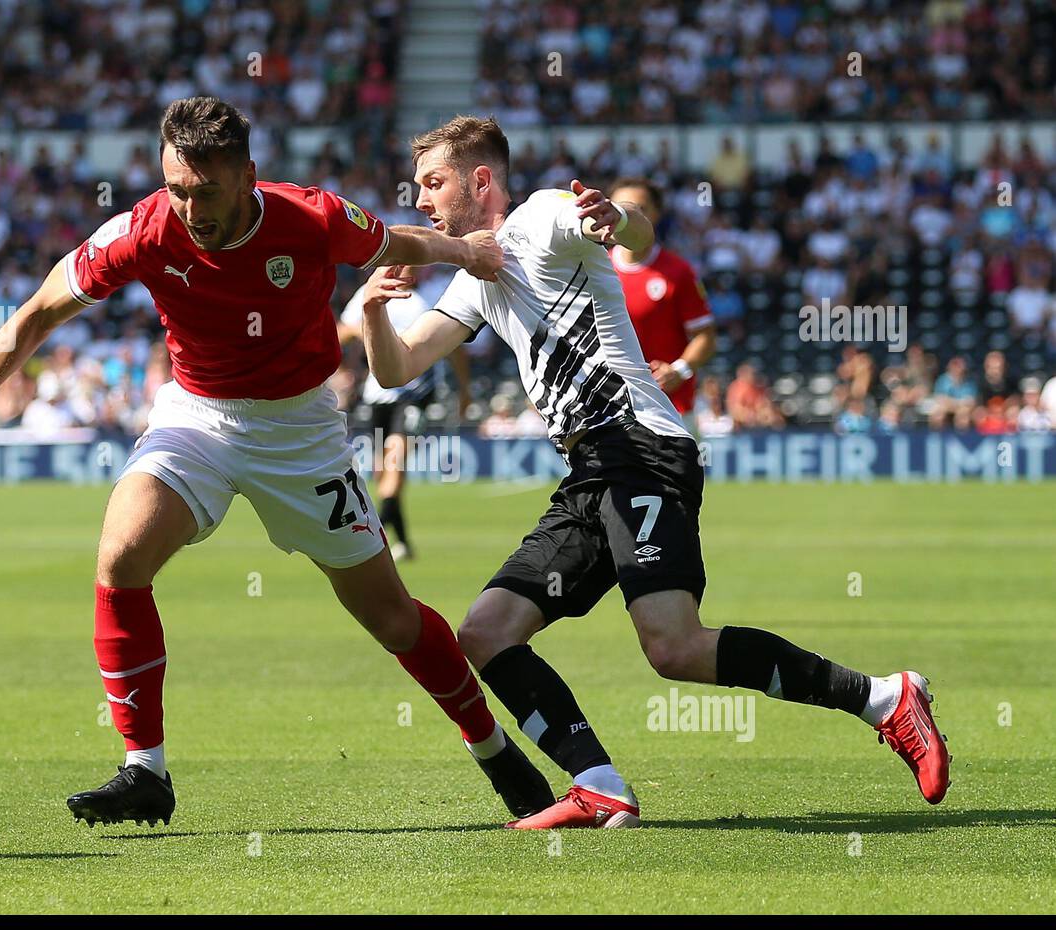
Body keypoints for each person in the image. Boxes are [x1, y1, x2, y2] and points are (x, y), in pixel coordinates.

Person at [0, 97, 553, 829]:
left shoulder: (312, 216)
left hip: (300, 430)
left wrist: (468, 252)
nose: (189, 207)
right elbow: (33, 315)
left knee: (392, 618)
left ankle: (494, 748)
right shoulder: (142, 231)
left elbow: (396, 243)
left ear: (247, 175)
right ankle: (144, 768)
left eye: (206, 191)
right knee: (121, 556)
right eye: (177, 187)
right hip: (198, 415)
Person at [362, 114, 950, 829]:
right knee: (486, 631)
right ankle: (599, 783)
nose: (421, 199)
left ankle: (885, 698)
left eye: (434, 182)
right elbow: (396, 367)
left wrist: (619, 216)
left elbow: (633, 232)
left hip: (639, 446)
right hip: (590, 469)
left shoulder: (543, 217)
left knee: (672, 645)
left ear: (480, 180)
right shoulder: (478, 273)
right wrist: (371, 311)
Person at [334, 266, 469, 560]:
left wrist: (464, 389)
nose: (402, 270)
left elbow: (454, 347)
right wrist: (362, 327)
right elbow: (340, 331)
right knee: (385, 475)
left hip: (413, 395)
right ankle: (403, 544)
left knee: (394, 465)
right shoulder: (368, 297)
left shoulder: (421, 304)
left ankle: (374, 538)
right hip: (375, 396)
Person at [606, 178, 716, 431]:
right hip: (611, 411)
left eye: (640, 209)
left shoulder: (678, 271)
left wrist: (679, 370)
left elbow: (706, 337)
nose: (630, 216)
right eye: (621, 208)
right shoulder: (596, 269)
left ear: (655, 215)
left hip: (670, 409)